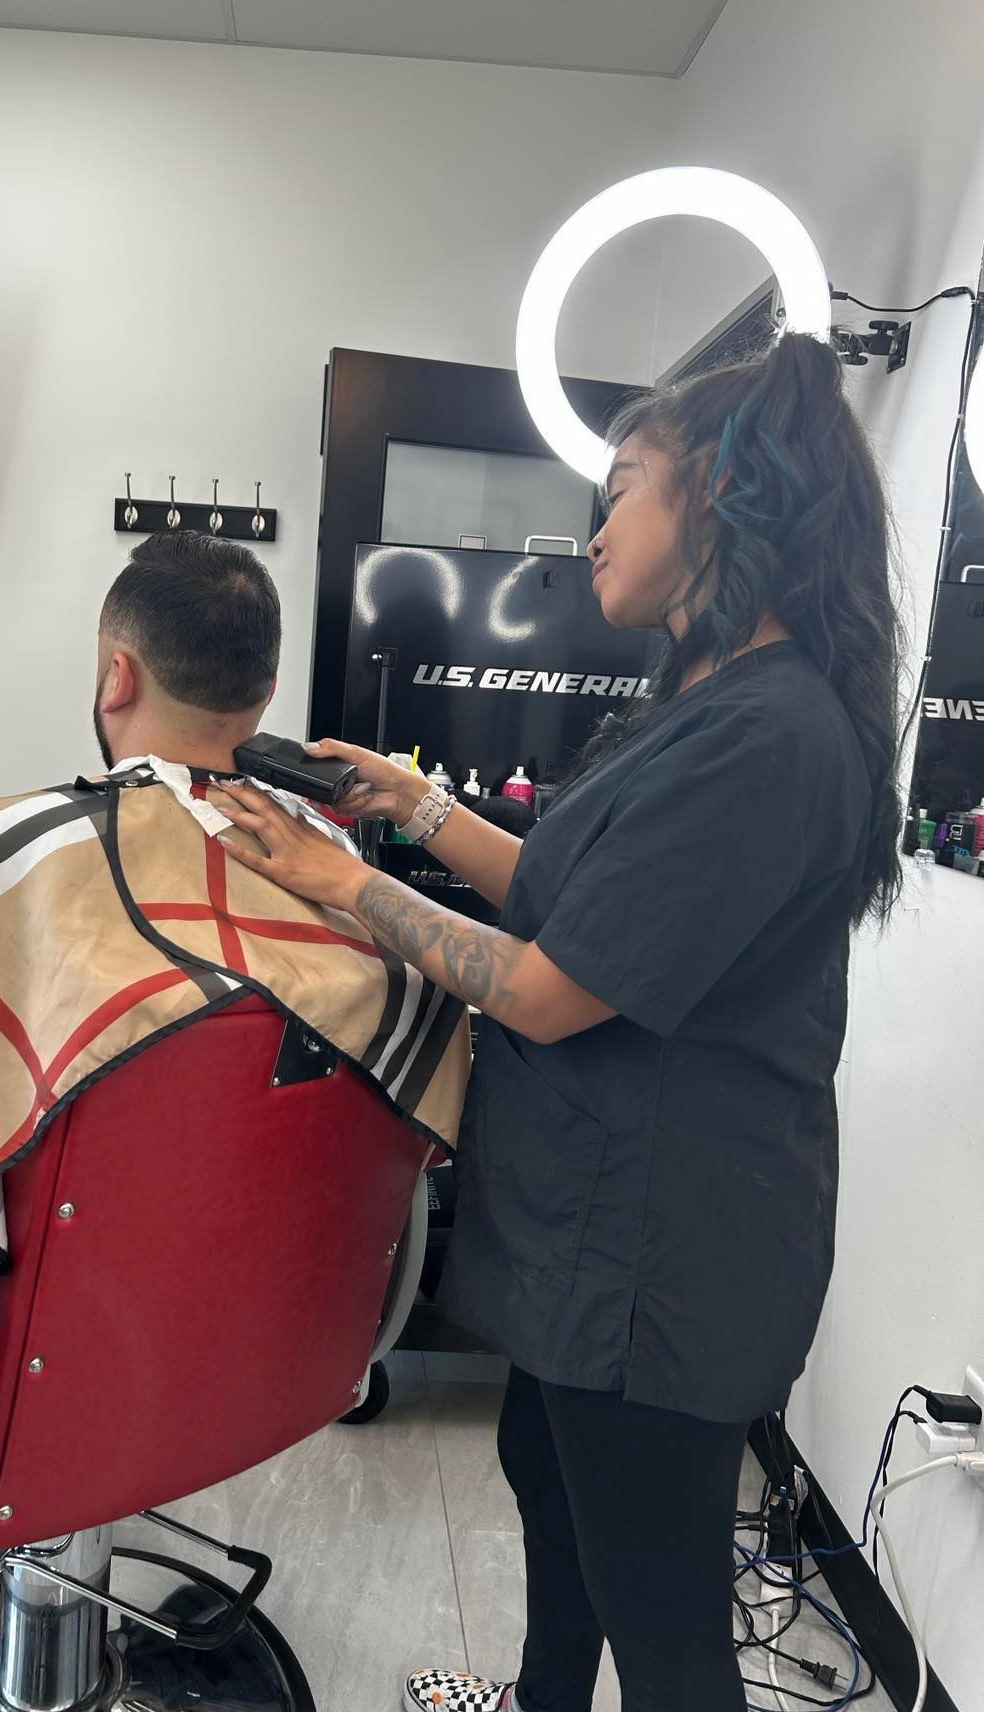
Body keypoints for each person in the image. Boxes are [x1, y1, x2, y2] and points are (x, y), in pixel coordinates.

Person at [213, 333, 903, 1712]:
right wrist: (408, 808)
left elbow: (543, 983)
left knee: (666, 1639)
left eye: (627, 487)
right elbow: (564, 896)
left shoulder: (773, 738)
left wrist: (344, 887)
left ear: (723, 504)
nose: (595, 531)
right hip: (588, 1235)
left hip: (661, 1264)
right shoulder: (696, 707)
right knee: (551, 1496)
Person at [0, 528, 469, 1469]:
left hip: (38, 1358)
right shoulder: (343, 871)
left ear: (117, 676)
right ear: (264, 692)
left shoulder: (14, 849)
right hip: (255, 1336)